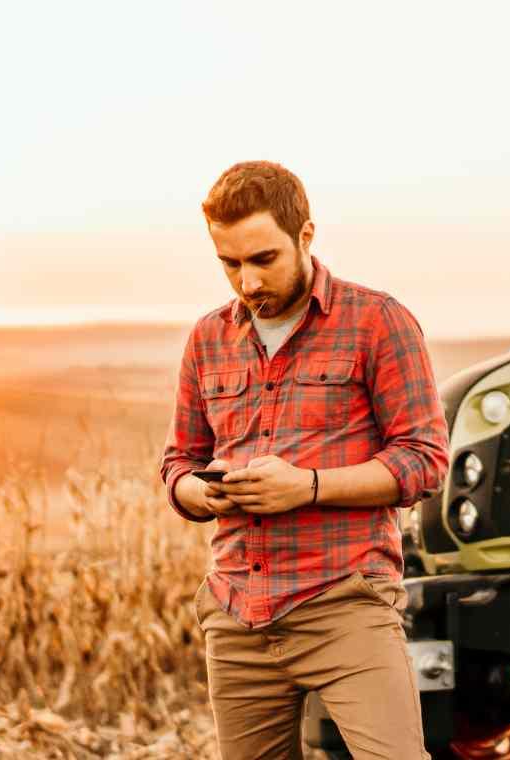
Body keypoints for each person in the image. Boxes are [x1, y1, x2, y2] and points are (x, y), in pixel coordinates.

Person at [159, 160, 448, 759]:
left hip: (346, 604)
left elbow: (424, 460)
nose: (247, 282)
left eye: (263, 259)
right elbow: (179, 461)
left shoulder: (378, 321)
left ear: (305, 236)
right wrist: (197, 492)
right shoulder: (207, 339)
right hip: (237, 615)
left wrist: (308, 486)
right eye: (229, 263)